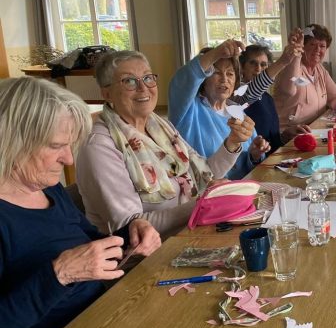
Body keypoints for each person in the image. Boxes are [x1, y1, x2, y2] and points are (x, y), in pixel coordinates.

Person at [0, 77, 161, 328]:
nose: (69, 158)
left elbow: (88, 244)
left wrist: (129, 236)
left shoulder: (47, 189)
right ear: (12, 141)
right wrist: (60, 275)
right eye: (56, 146)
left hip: (100, 325)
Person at [77, 51, 253, 238]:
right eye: (129, 81)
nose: (143, 88)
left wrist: (233, 142)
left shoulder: (161, 127)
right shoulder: (100, 146)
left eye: (147, 78)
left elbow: (205, 173)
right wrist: (202, 204)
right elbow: (132, 227)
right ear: (107, 93)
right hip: (152, 251)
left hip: (191, 232)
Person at [169, 33, 303, 178]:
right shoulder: (188, 109)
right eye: (216, 73)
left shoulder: (238, 113)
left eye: (230, 74)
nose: (224, 79)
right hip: (208, 189)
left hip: (244, 186)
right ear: (203, 79)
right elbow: (183, 79)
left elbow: (245, 167)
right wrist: (216, 53)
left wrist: (254, 154)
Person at [239, 44, 311, 154]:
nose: (258, 68)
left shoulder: (267, 98)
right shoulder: (239, 96)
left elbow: (272, 141)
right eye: (253, 63)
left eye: (263, 65)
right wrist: (283, 61)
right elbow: (254, 89)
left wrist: (286, 134)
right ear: (242, 67)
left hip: (275, 157)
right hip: (257, 161)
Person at [274, 24, 336, 127]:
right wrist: (296, 54)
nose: (317, 49)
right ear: (303, 46)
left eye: (322, 46)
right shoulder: (291, 66)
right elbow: (289, 89)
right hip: (288, 131)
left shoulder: (320, 69)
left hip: (313, 127)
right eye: (312, 44)